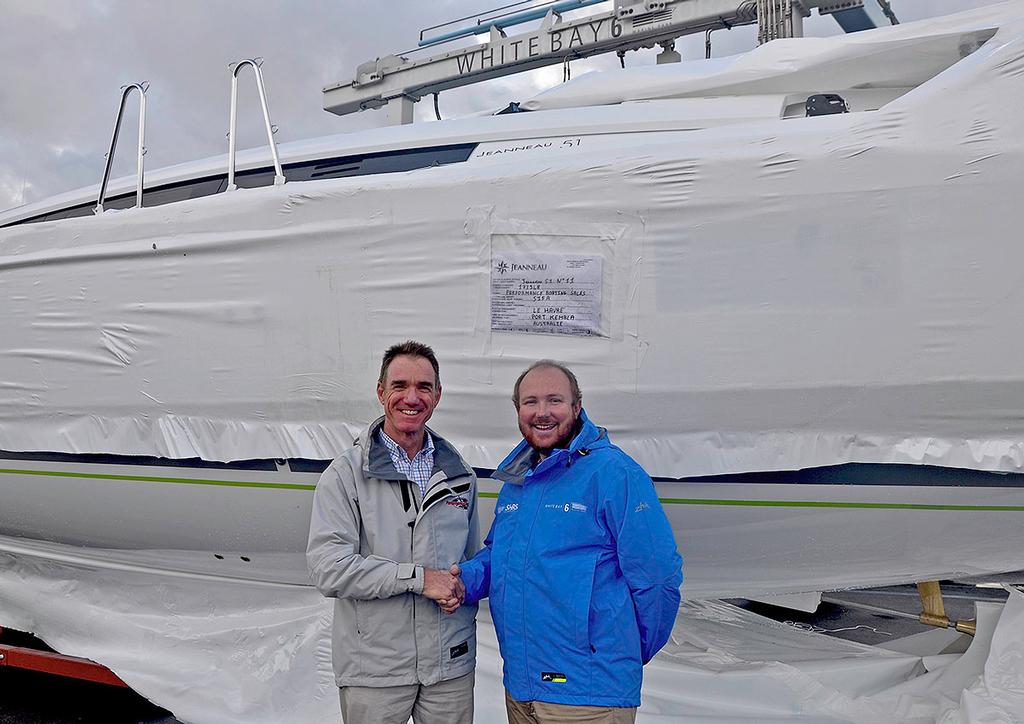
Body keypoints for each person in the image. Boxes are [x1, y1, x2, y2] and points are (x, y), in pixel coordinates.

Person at [454, 360, 682, 723]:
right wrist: (461, 580)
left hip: (588, 696)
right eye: (530, 402)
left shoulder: (615, 474)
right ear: (517, 410)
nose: (542, 413)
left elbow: (658, 577)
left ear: (577, 407)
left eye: (554, 401)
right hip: (522, 687)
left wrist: (619, 652)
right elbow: (504, 556)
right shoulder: (519, 482)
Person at [307, 341, 478, 724]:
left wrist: (463, 584)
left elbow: (470, 559)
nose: (411, 398)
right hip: (375, 670)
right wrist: (418, 579)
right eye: (400, 386)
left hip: (448, 667)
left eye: (424, 387)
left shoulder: (460, 475)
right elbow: (328, 568)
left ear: (437, 395)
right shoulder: (344, 475)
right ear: (381, 392)